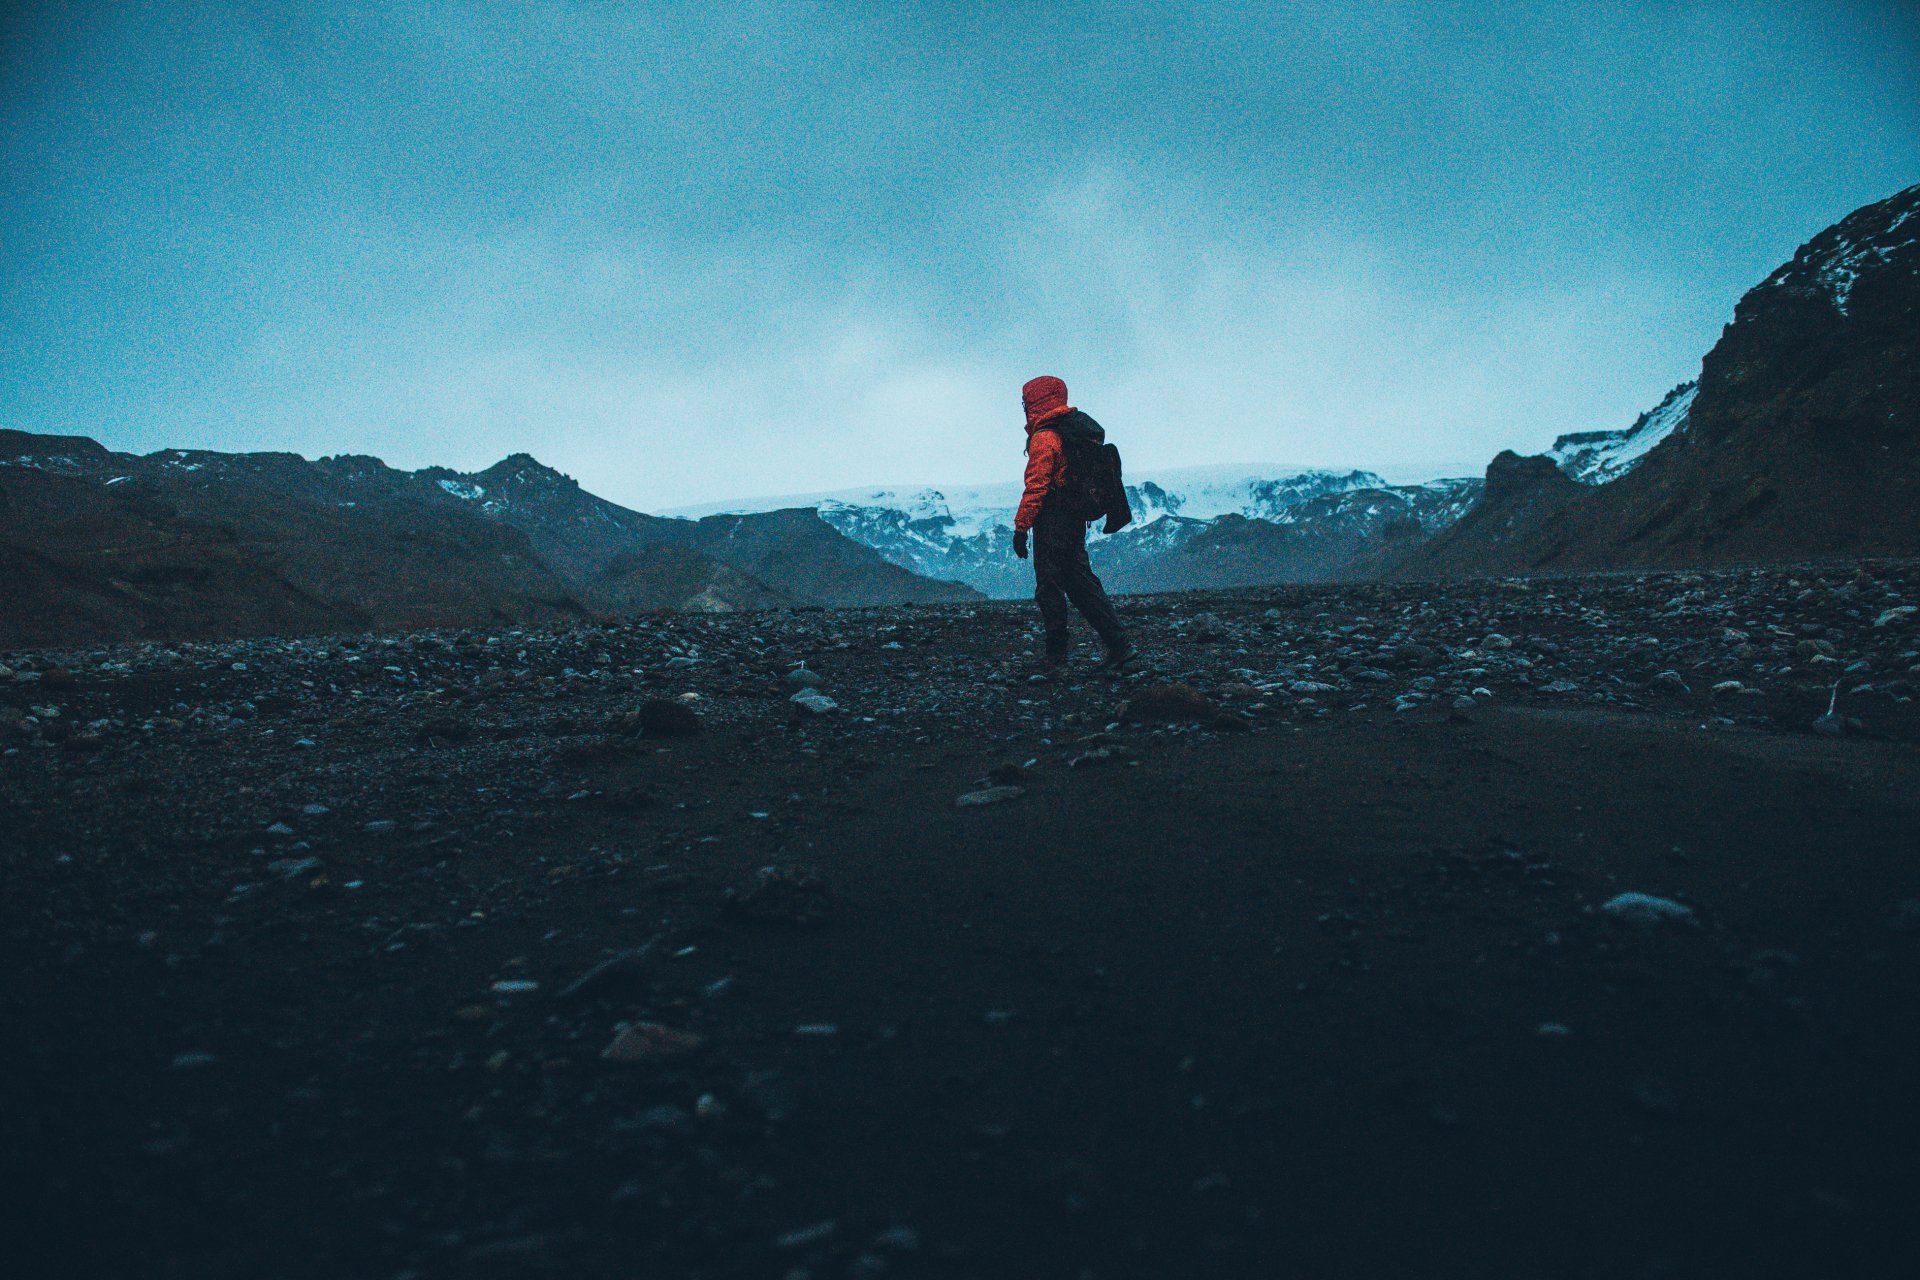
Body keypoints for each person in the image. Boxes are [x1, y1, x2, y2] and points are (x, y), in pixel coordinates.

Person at [1011, 375, 1134, 670]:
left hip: (1052, 521)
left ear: (1034, 401)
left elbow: (1037, 485)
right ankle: (1119, 646)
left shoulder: (1046, 437)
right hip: (1075, 519)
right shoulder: (1077, 431)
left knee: (1049, 587)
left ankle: (1055, 657)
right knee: (1080, 583)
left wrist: (1021, 527)